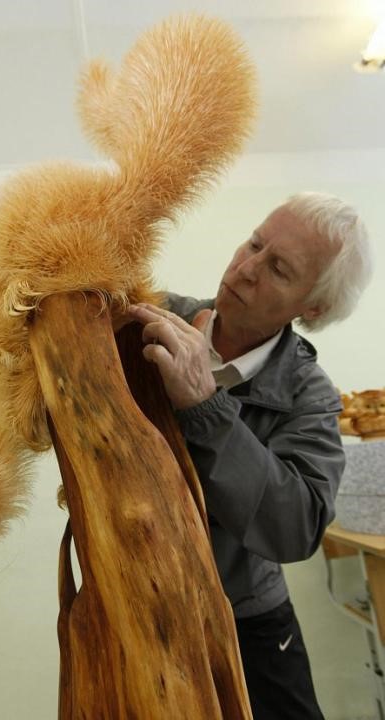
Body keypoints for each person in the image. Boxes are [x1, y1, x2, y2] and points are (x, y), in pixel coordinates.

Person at [127, 192, 372, 720]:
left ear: (313, 308)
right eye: (255, 243)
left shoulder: (310, 394)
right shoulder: (150, 318)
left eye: (279, 268)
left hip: (247, 621)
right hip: (135, 609)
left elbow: (297, 527)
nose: (245, 268)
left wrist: (205, 406)